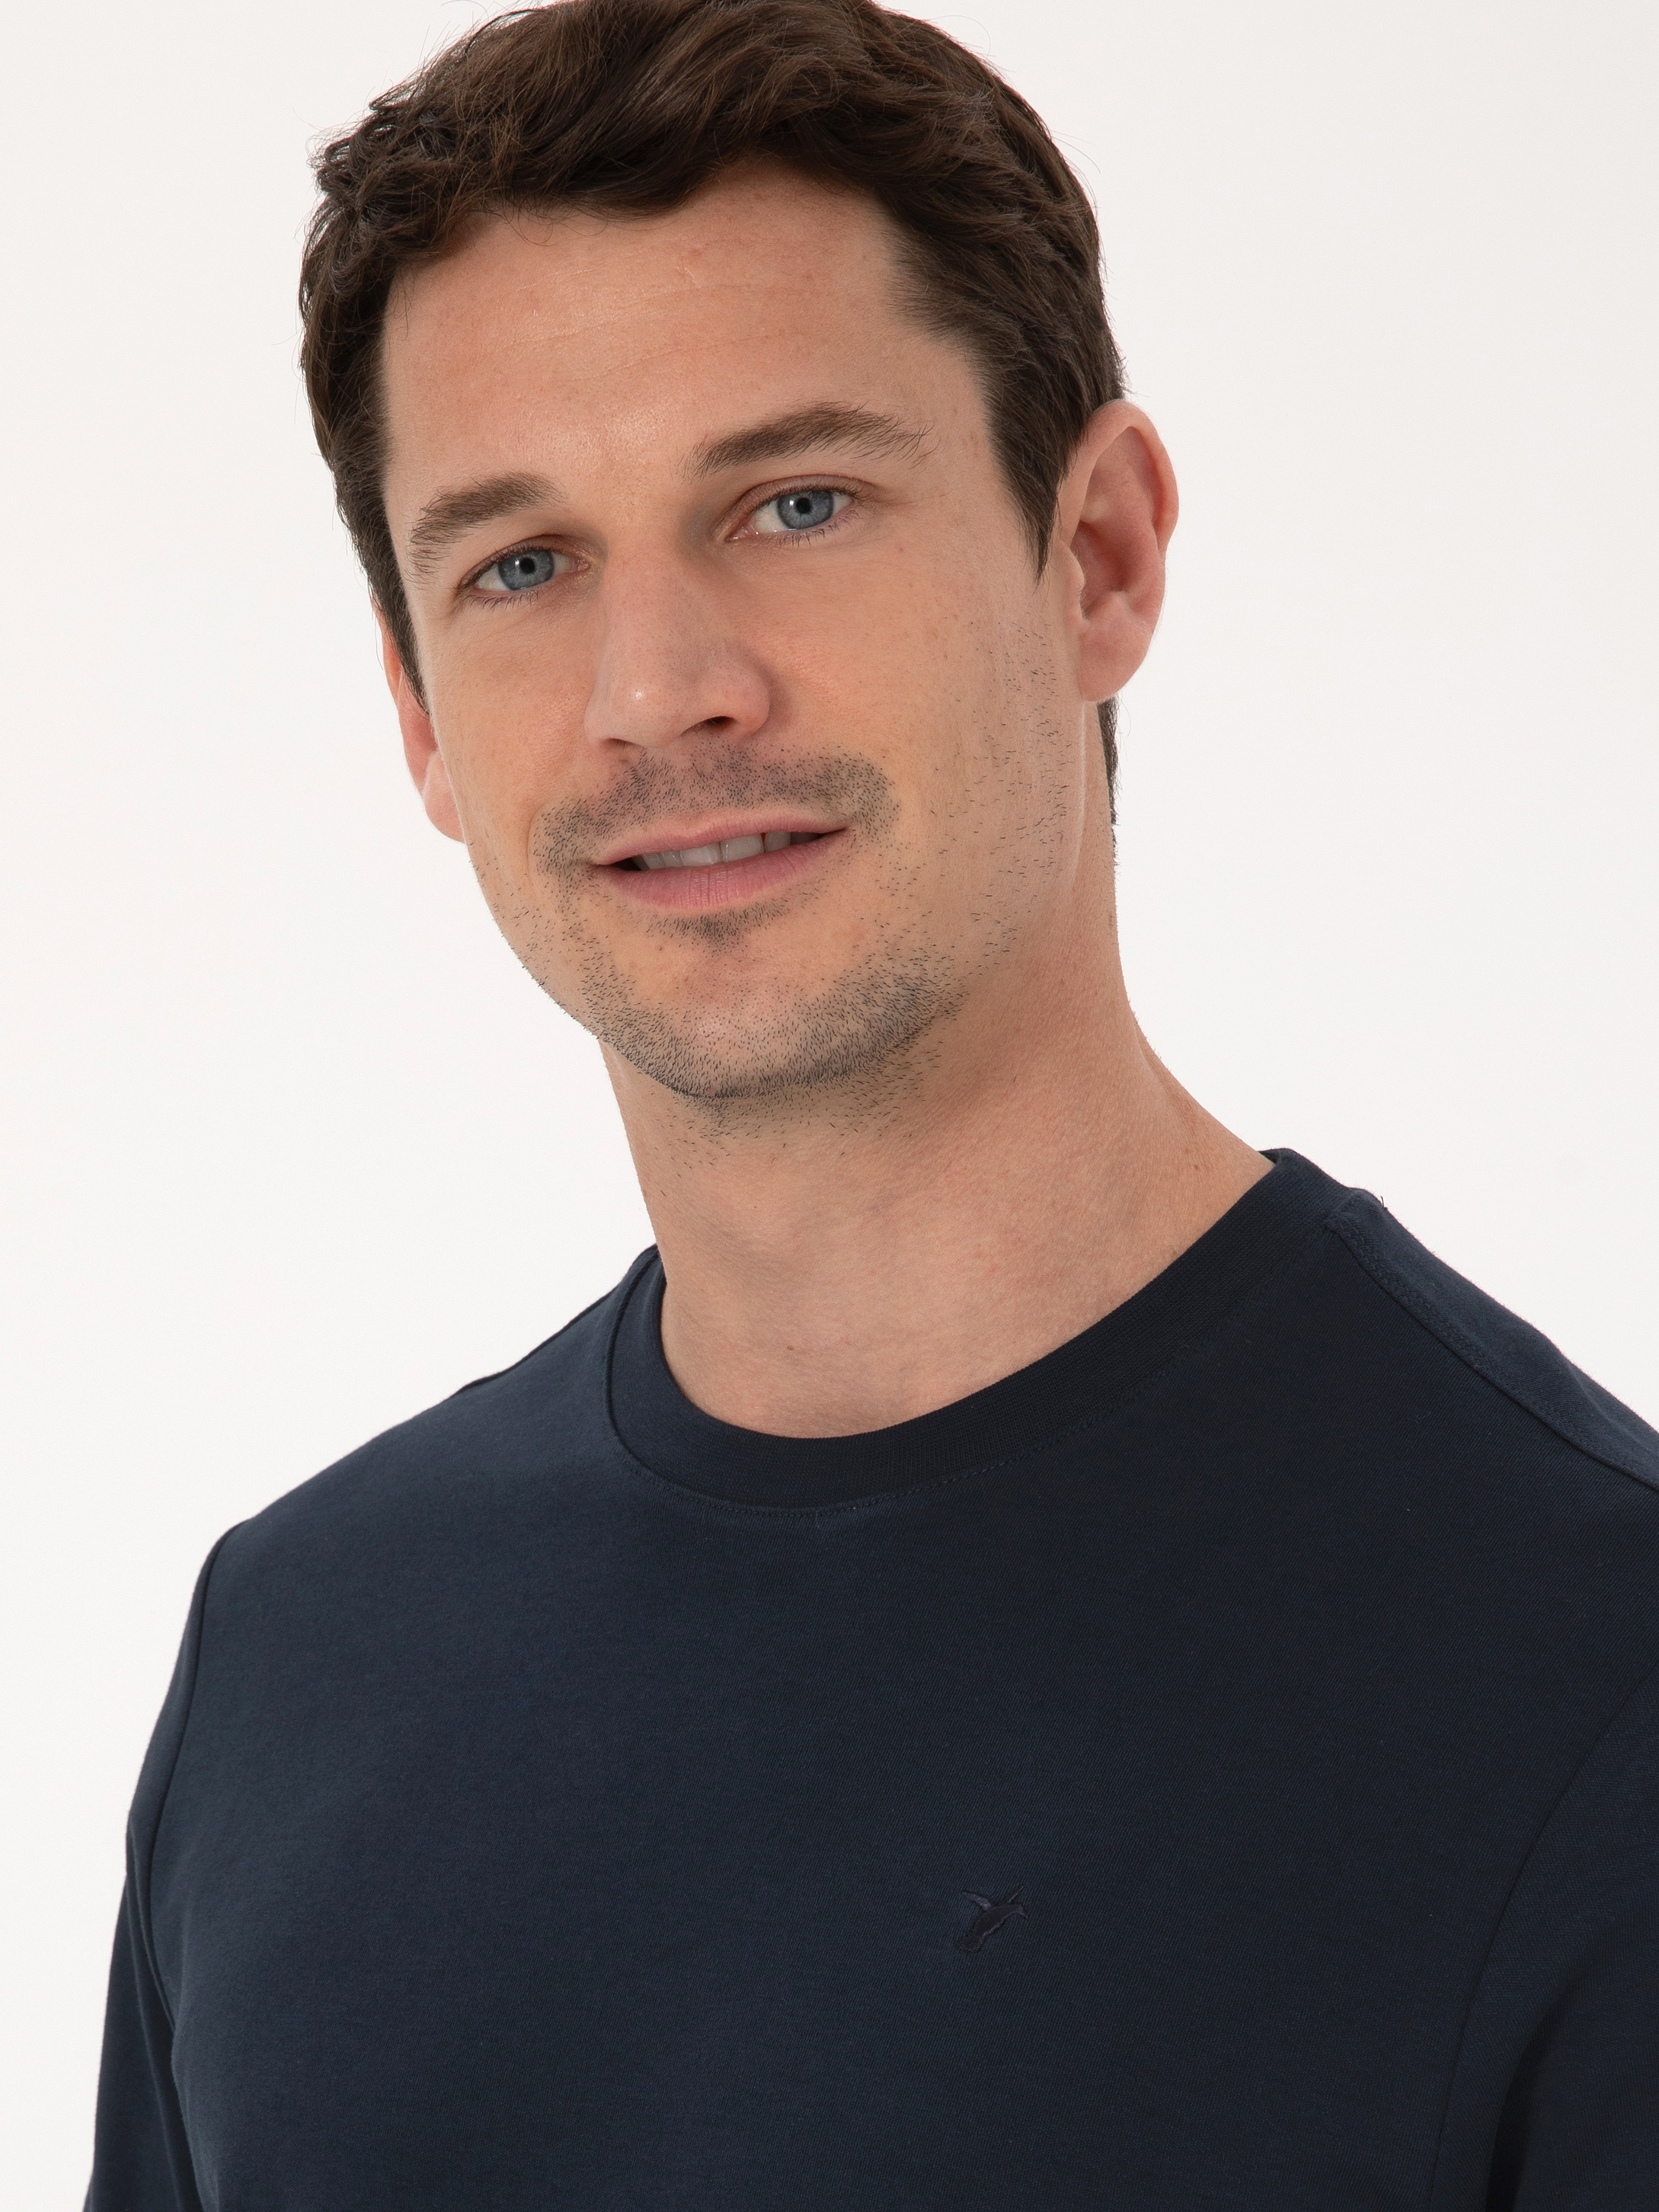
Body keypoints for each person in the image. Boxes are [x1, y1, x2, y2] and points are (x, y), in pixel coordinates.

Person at [86, 1, 1659, 2204]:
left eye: (796, 501)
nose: (661, 690)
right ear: (420, 714)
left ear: (1098, 555)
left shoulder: (1587, 1684)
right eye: (521, 563)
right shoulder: (300, 1661)